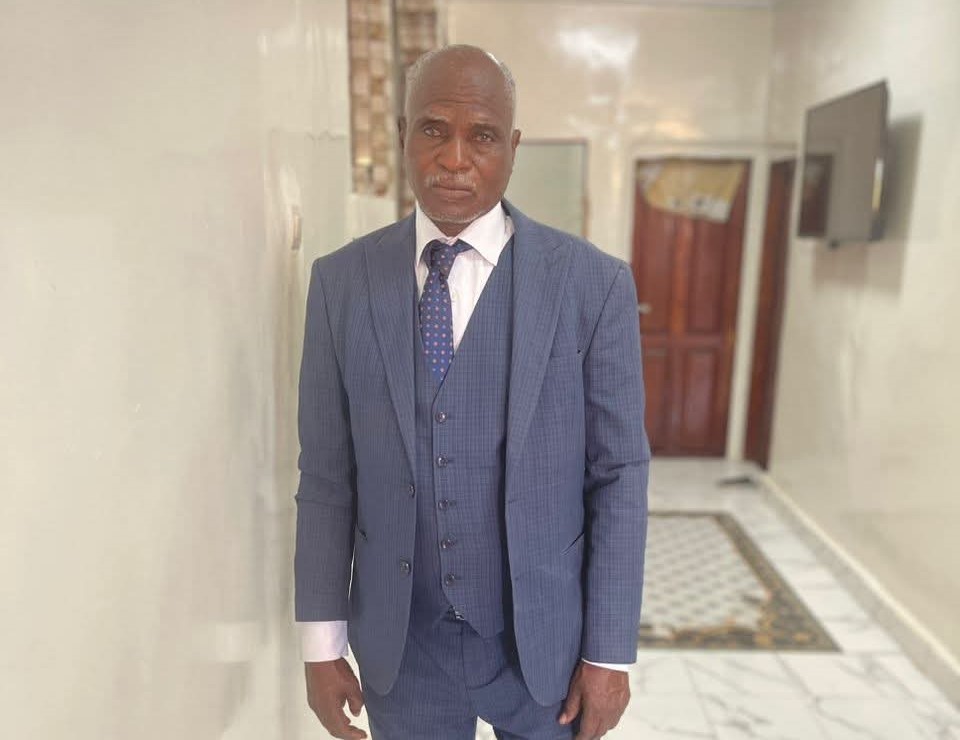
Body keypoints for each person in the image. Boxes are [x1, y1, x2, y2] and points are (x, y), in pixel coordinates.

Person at [294, 44, 649, 740]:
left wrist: (609, 654)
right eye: (434, 129)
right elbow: (326, 477)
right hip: (404, 649)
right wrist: (321, 643)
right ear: (404, 135)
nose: (454, 158)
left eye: (482, 136)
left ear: (511, 148)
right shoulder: (341, 285)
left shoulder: (592, 285)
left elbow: (619, 475)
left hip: (543, 648)